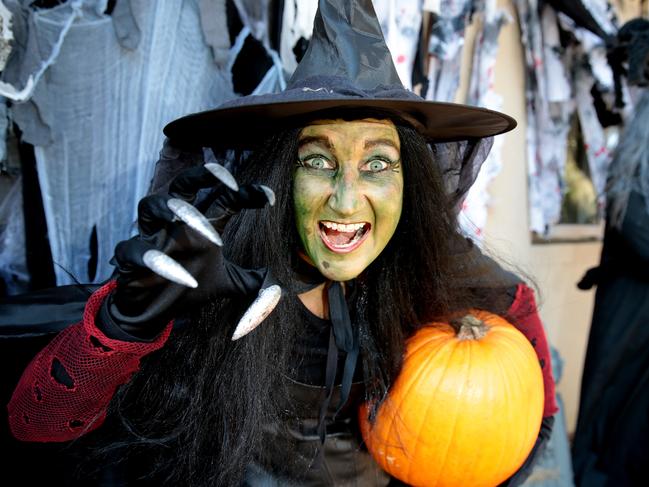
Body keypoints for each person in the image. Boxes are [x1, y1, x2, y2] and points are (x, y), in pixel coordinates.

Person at [7, 1, 557, 485]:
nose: (346, 201)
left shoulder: (433, 261)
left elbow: (530, 397)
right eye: (318, 160)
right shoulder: (214, 268)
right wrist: (121, 328)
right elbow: (37, 426)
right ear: (282, 172)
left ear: (407, 182)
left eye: (377, 164)